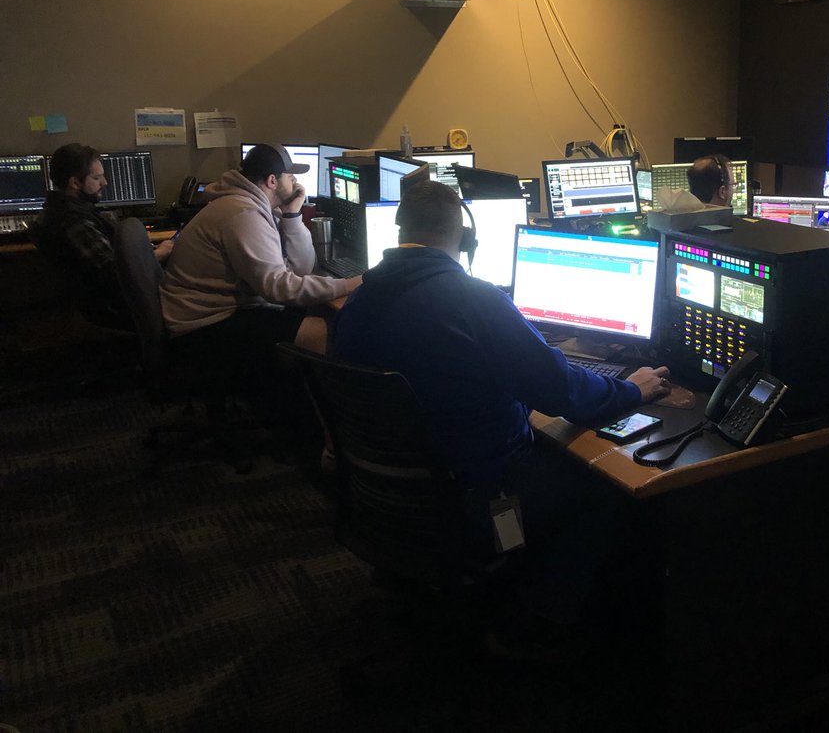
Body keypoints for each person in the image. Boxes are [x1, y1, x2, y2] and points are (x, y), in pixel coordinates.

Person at [332, 180, 670, 656]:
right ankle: (536, 621)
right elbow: (564, 392)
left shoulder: (360, 301)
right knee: (602, 487)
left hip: (385, 495)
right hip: (477, 496)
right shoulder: (472, 299)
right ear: (466, 241)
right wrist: (632, 387)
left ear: (401, 230)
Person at [160, 144, 359, 378]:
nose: (294, 180)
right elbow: (277, 288)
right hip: (203, 327)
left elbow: (303, 269)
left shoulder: (253, 206)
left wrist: (292, 215)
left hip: (218, 312)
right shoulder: (243, 215)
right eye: (290, 175)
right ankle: (299, 410)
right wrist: (347, 285)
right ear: (272, 181)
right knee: (327, 334)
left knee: (315, 314)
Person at [30, 142, 173, 329]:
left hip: (106, 301)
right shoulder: (73, 221)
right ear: (75, 183)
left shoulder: (60, 209)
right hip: (114, 307)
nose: (104, 183)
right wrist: (160, 253)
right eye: (97, 178)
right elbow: (117, 271)